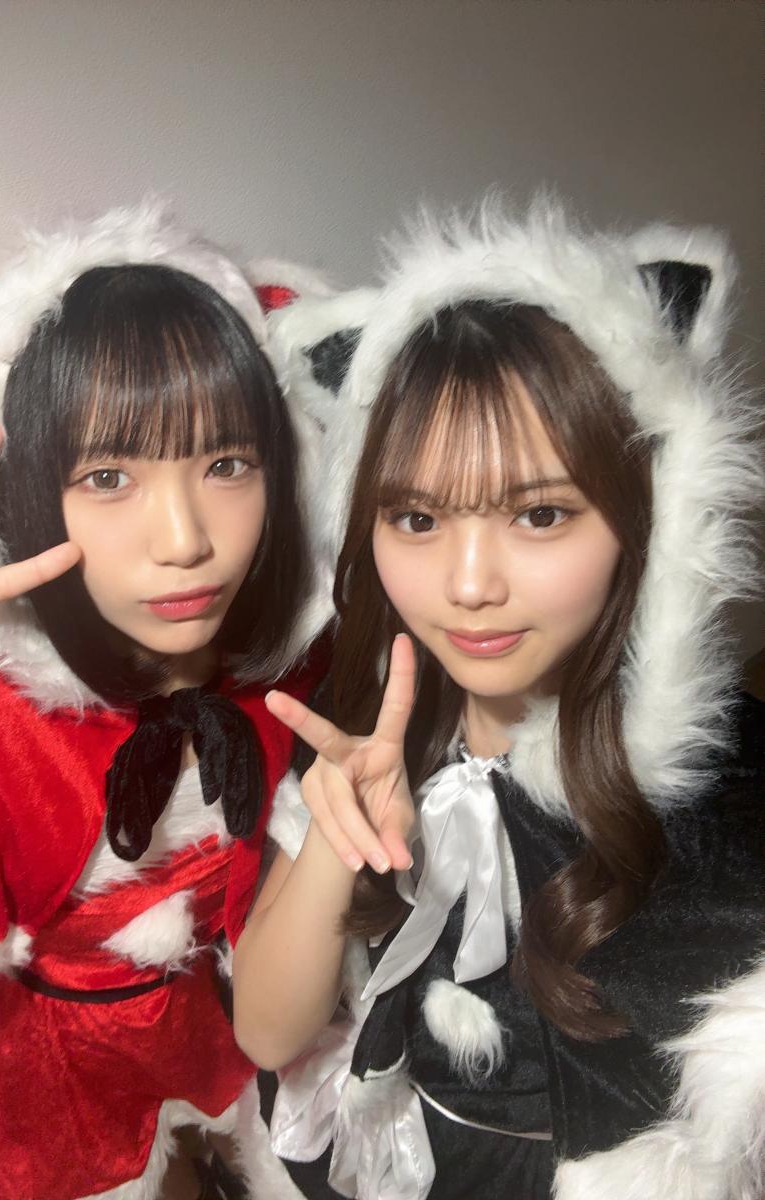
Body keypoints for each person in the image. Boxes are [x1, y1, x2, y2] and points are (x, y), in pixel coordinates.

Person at [232, 201, 765, 1200]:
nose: (468, 585)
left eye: (540, 514)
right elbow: (267, 1034)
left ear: (647, 516)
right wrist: (335, 844)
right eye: (416, 517)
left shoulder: (727, 792)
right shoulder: (363, 728)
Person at [0, 203, 318, 1200]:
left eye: (227, 463)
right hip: (48, 1063)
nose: (185, 540)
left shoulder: (290, 668)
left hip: (215, 1022)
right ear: (30, 491)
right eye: (110, 475)